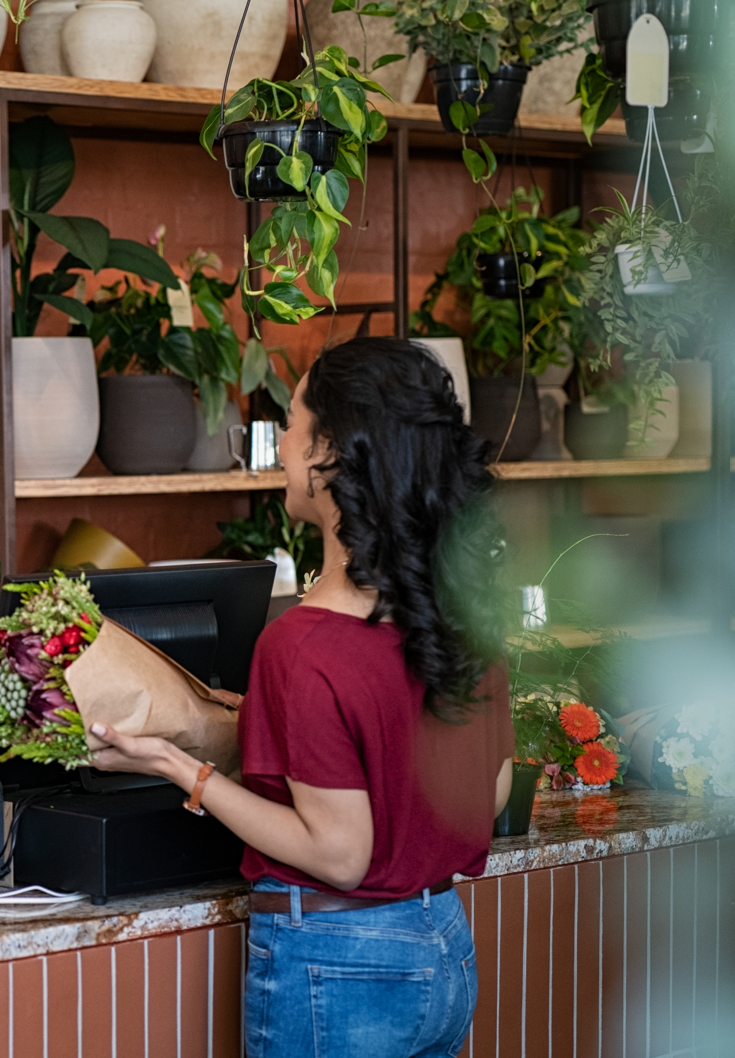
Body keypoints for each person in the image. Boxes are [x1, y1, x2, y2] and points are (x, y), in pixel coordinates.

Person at [89, 337, 514, 1057]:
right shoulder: (464, 616)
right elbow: (492, 792)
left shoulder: (304, 645)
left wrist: (179, 767)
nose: (281, 442)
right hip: (441, 944)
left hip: (337, 964)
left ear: (330, 455)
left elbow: (341, 854)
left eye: (291, 421)